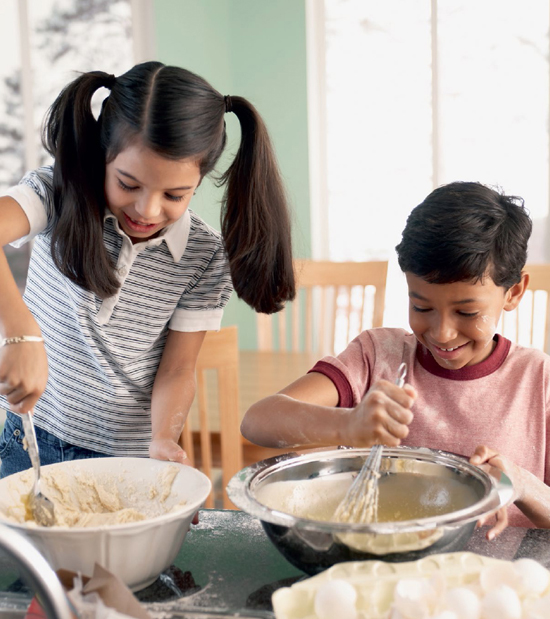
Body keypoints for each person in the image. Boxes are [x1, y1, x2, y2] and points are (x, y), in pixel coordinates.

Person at [0, 61, 295, 478]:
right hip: (30, 438)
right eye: (128, 184)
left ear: (200, 181)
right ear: (104, 155)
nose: (147, 209)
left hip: (129, 461)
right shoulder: (57, 192)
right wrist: (20, 332)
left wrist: (163, 439)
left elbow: (177, 370)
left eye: (174, 194)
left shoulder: (205, 256)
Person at [241, 181, 550, 538]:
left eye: (466, 312)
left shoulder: (538, 381)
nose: (442, 332)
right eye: (422, 307)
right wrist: (347, 425)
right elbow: (257, 421)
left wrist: (522, 485)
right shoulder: (378, 356)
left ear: (513, 292)